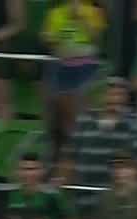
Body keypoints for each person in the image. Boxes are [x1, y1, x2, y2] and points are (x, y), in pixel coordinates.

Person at [71, 78, 137, 216]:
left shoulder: (134, 123)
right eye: (111, 94)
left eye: (119, 94)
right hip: (84, 196)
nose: (115, 99)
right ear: (102, 96)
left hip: (117, 201)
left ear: (126, 99)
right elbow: (70, 155)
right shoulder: (85, 119)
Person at [41, 0, 105, 145]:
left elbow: (96, 39)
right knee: (61, 109)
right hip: (62, 67)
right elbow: (48, 40)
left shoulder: (94, 12)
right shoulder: (55, 13)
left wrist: (81, 18)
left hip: (86, 68)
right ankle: (62, 141)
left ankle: (86, 141)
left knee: (84, 111)